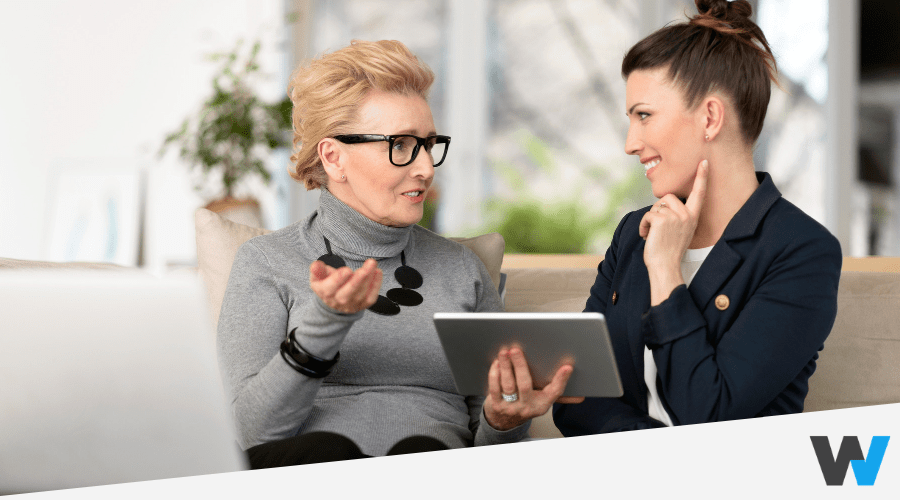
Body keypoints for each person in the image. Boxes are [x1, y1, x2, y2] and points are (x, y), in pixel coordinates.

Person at [217, 39, 574, 468]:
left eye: (427, 144)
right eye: (401, 145)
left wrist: (502, 421)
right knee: (330, 452)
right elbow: (250, 433)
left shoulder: (462, 269)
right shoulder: (266, 262)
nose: (425, 168)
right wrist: (325, 324)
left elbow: (492, 453)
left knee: (418, 454)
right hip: (312, 474)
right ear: (333, 157)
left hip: (433, 471)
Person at [553, 0, 842, 435]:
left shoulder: (801, 251)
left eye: (644, 116)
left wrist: (666, 270)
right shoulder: (633, 233)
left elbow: (711, 419)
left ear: (709, 118)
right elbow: (576, 399)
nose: (631, 143)